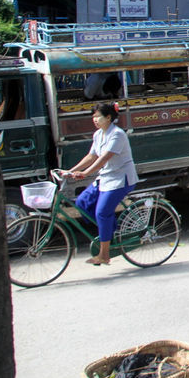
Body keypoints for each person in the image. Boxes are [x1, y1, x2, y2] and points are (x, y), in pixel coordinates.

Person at [63, 103, 138, 265]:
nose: (95, 120)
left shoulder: (117, 135)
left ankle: (104, 255)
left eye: (98, 117)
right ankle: (108, 230)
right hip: (105, 178)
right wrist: (70, 171)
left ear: (109, 117)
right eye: (93, 117)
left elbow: (104, 158)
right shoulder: (98, 135)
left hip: (120, 179)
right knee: (82, 203)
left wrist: (85, 173)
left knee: (102, 213)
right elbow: (91, 156)